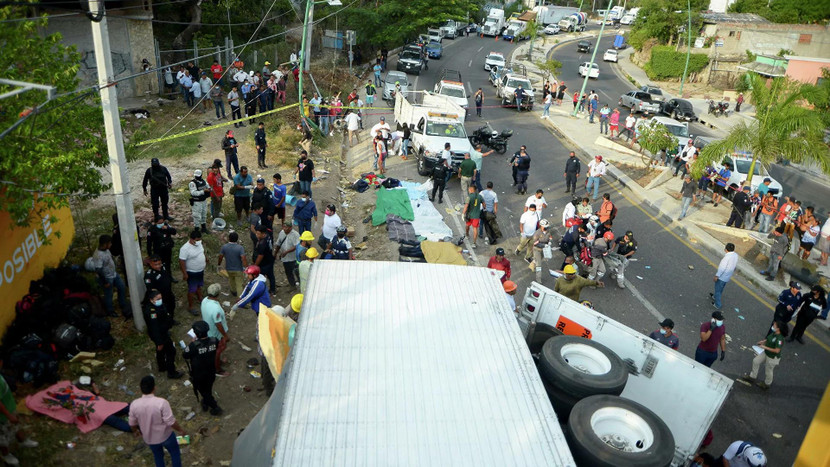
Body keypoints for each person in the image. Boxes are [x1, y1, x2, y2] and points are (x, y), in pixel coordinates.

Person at [129, 376, 187, 467]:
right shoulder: (161, 402)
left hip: (150, 439)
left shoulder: (134, 404)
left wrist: (135, 431)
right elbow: (170, 421)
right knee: (175, 453)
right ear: (154, 388)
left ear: (141, 389)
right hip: (166, 436)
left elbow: (132, 423)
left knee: (158, 457)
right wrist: (180, 430)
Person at [183, 321, 223, 415]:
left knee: (203, 392)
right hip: (211, 371)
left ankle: (215, 407)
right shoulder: (214, 340)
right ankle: (205, 402)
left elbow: (185, 355)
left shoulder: (194, 346)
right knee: (208, 388)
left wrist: (192, 343)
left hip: (199, 374)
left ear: (196, 334)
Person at [0, 371, 38, 466]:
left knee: (16, 426)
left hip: (9, 407)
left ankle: (23, 441)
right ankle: (6, 455)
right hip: (2, 416)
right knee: (2, 437)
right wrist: (9, 415)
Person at [143, 290, 183, 379]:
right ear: (151, 300)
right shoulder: (151, 312)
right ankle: (171, 372)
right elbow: (155, 329)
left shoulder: (160, 306)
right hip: (160, 336)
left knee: (161, 350)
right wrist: (159, 341)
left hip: (162, 332)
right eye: (157, 299)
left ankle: (162, 366)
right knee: (171, 351)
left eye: (160, 298)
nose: (160, 300)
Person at [742, 320, 787, 390]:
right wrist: (763, 342)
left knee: (768, 370)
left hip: (772, 357)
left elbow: (777, 350)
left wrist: (764, 347)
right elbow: (769, 339)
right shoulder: (774, 333)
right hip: (766, 353)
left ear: (778, 328)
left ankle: (767, 384)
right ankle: (752, 376)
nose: (773, 326)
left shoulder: (779, 339)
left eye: (774, 325)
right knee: (756, 361)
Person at [93, 234, 129, 318]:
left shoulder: (106, 250)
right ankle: (110, 311)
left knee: (122, 287)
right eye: (109, 243)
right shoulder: (98, 255)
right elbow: (98, 270)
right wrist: (105, 282)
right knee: (109, 295)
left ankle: (122, 303)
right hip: (107, 278)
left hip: (114, 274)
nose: (111, 245)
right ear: (105, 244)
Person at [201, 284, 229, 375]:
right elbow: (218, 324)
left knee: (217, 350)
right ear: (218, 294)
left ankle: (218, 362)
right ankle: (218, 369)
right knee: (218, 350)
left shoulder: (205, 300)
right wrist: (225, 335)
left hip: (208, 330)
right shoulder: (216, 309)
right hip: (215, 333)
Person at [179, 230, 207, 316]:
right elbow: (181, 261)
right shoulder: (185, 249)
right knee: (192, 290)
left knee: (199, 285)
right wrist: (185, 274)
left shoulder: (199, 244)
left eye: (199, 240)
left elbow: (202, 252)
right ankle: (190, 307)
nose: (198, 242)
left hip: (200, 271)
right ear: (191, 239)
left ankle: (200, 298)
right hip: (192, 272)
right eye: (197, 240)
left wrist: (206, 259)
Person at [144, 254, 176, 323]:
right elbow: (150, 289)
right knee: (163, 312)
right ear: (150, 264)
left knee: (171, 307)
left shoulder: (163, 267)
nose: (158, 266)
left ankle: (171, 320)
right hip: (161, 296)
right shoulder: (149, 275)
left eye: (159, 264)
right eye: (155, 264)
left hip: (168, 293)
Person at [217, 232, 247, 297]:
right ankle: (240, 298)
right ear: (237, 239)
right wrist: (246, 267)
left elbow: (220, 256)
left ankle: (233, 291)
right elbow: (243, 258)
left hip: (228, 268)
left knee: (231, 280)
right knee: (239, 284)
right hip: (238, 269)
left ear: (229, 238)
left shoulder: (224, 247)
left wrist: (219, 264)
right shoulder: (240, 248)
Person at [711, 243, 738, 311]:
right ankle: (714, 297)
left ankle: (717, 304)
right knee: (721, 289)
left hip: (721, 277)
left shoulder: (726, 258)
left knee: (718, 290)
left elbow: (722, 268)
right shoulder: (735, 255)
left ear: (726, 249)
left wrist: (717, 276)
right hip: (727, 277)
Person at [252, 225, 276, 295]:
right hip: (269, 260)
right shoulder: (268, 236)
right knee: (271, 276)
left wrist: (255, 265)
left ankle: (262, 291)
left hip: (263, 264)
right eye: (256, 233)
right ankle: (272, 290)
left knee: (261, 278)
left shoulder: (263, 244)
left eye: (258, 234)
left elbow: (260, 256)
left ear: (263, 234)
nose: (256, 235)